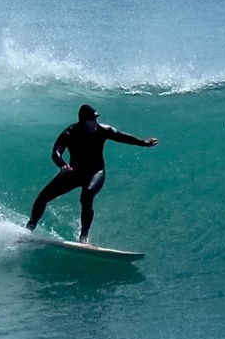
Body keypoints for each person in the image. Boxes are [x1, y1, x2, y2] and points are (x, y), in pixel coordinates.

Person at [26, 104, 157, 243]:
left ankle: (83, 237)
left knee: (87, 196)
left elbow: (122, 137)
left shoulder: (103, 130)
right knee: (43, 197)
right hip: (74, 172)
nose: (96, 122)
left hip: (96, 172)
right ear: (84, 121)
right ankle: (29, 229)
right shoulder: (70, 133)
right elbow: (56, 153)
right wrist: (63, 165)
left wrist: (143, 143)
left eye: (96, 119)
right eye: (92, 120)